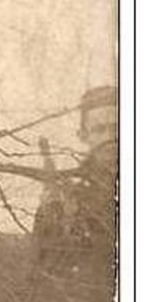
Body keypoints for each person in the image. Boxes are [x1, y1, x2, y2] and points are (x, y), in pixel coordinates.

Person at [33, 84, 118, 277]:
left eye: (117, 128)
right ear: (83, 136)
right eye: (99, 130)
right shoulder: (67, 195)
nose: (110, 138)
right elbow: (44, 271)